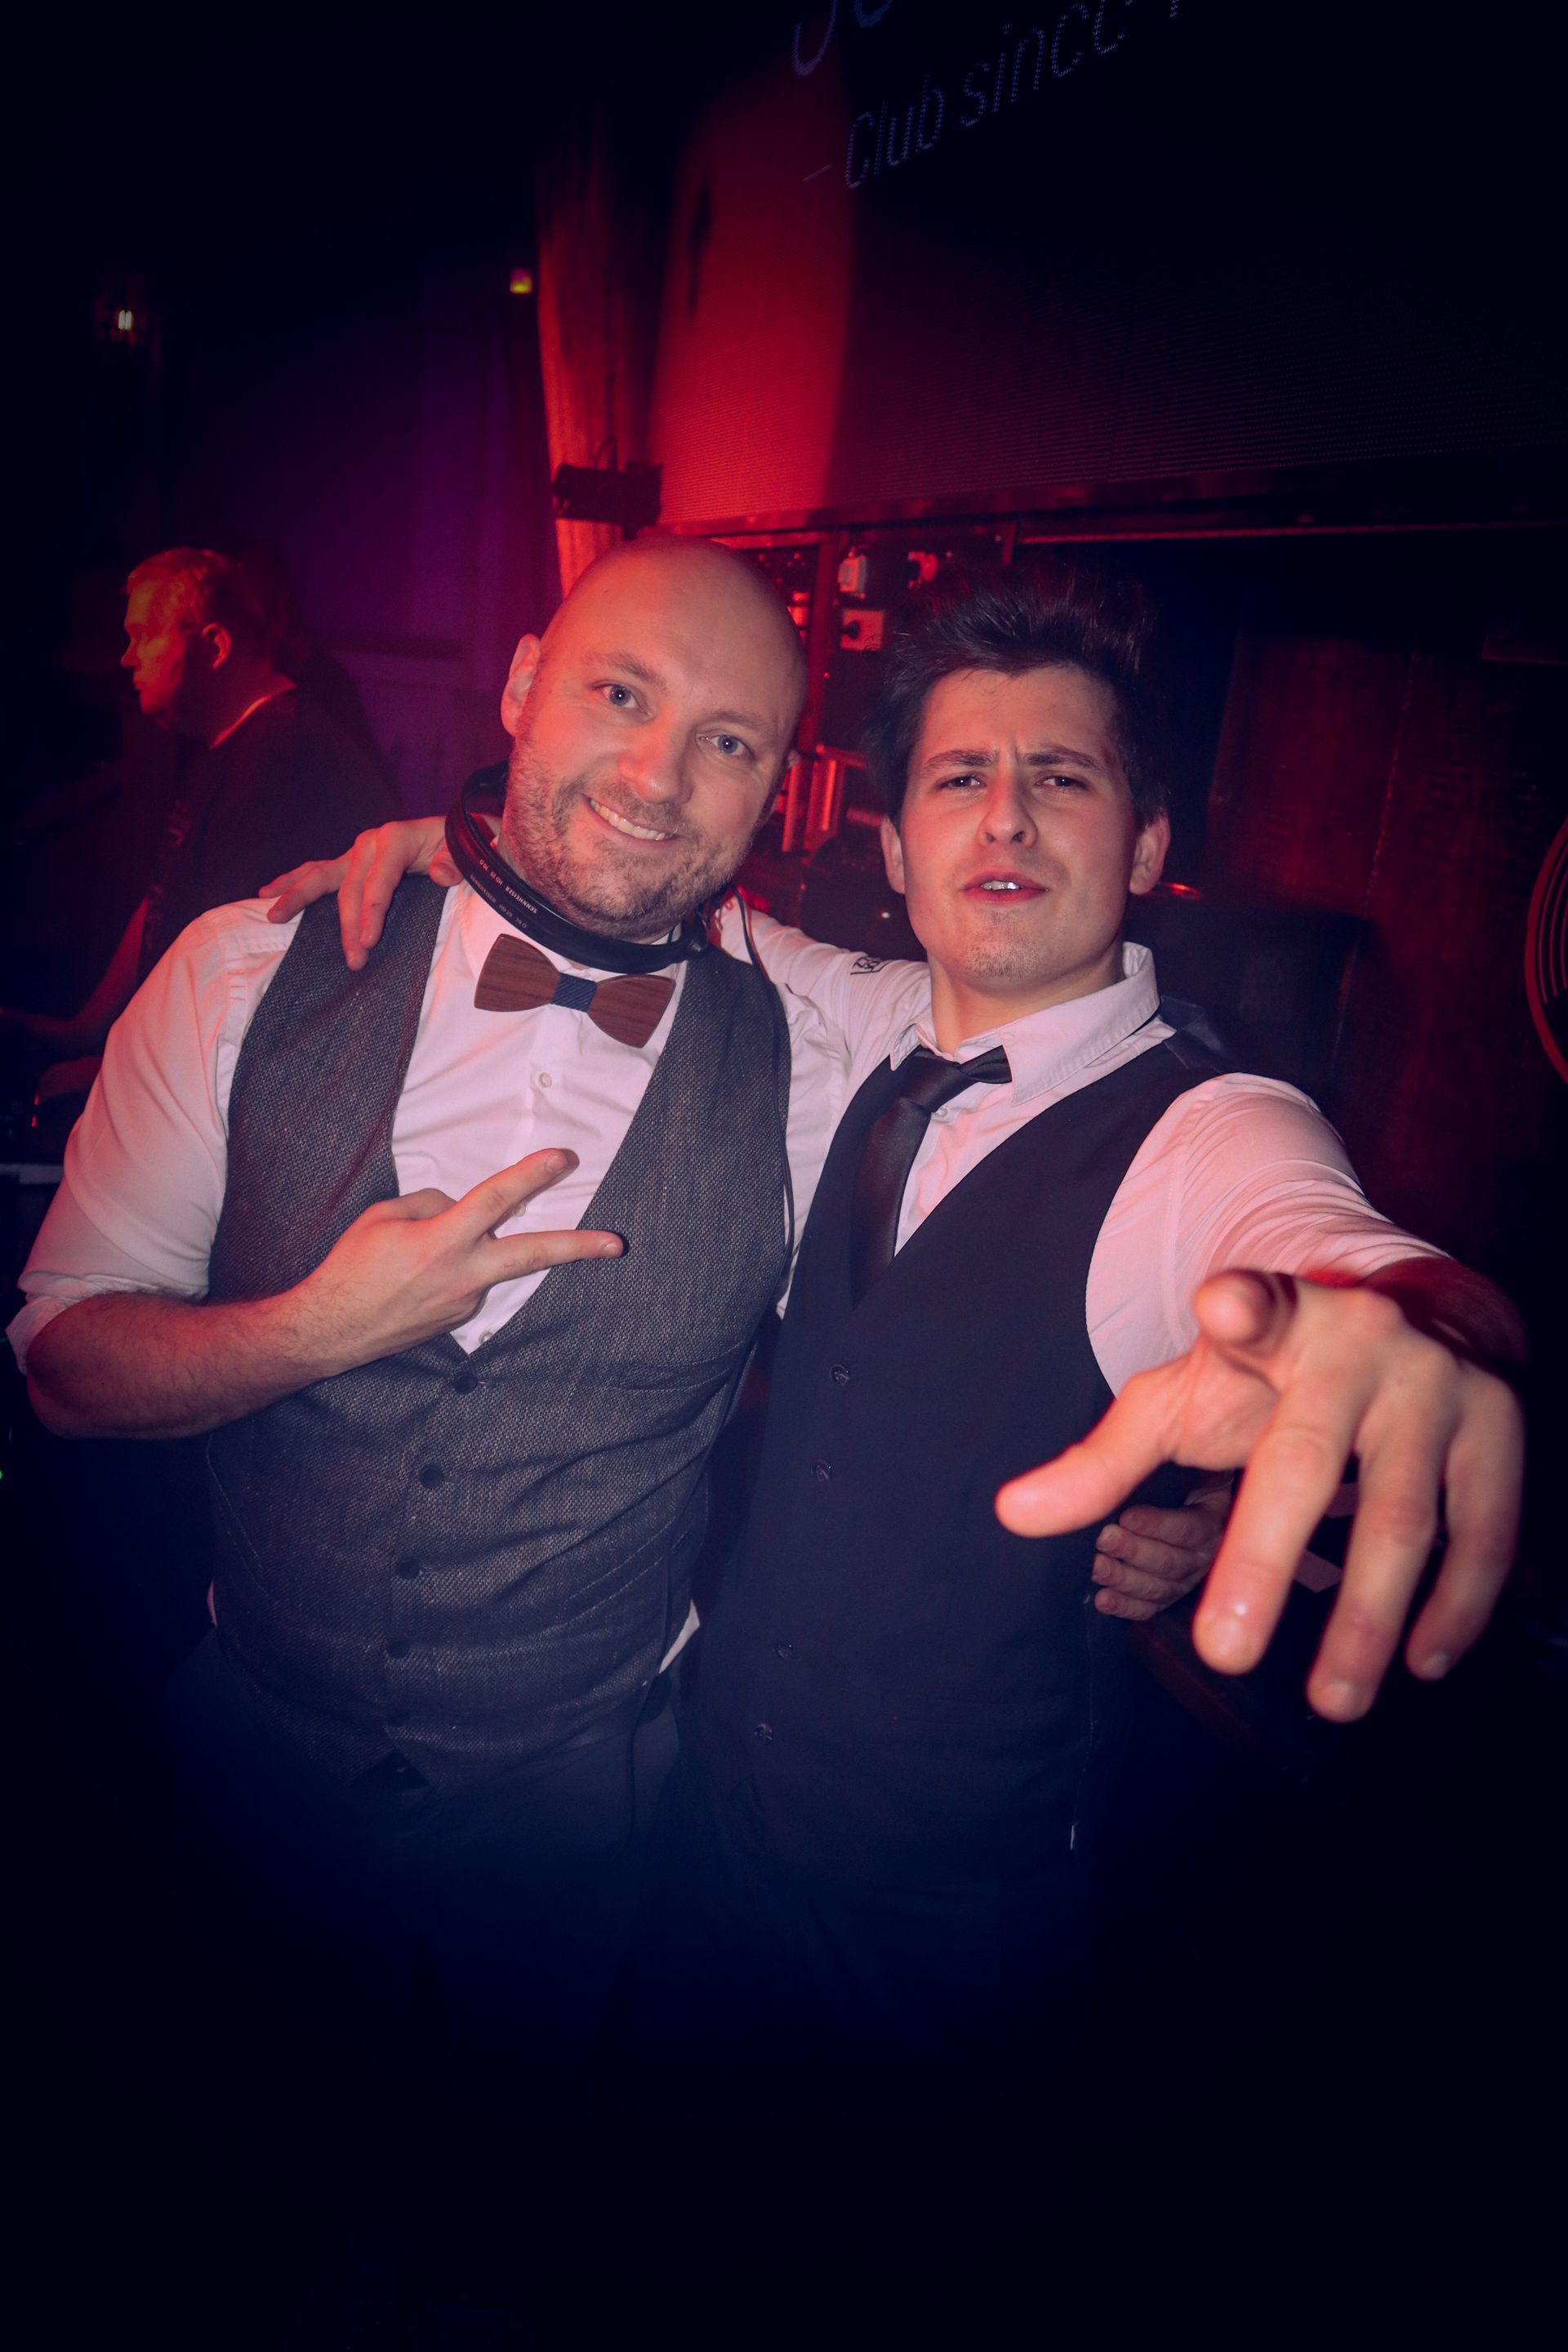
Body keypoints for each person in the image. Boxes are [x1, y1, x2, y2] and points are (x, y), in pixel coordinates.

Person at [283, 560, 1526, 2238]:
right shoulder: (850, 1014)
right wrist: (438, 842)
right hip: (702, 1833)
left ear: (1149, 845)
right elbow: (625, 872)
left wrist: (1412, 1333)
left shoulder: (1212, 1131)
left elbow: (1338, 1250)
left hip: (947, 1925)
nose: (1004, 815)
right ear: (894, 847)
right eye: (958, 778)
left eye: (1062, 777)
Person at [0, 546, 395, 1105]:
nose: (126, 658)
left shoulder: (283, 758)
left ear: (214, 645)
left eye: (142, 636)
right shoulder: (231, 742)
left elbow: (244, 963)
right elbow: (165, 899)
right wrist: (87, 1029)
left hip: (236, 1088)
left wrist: (124, 1071)